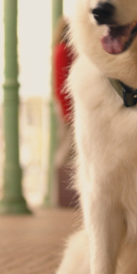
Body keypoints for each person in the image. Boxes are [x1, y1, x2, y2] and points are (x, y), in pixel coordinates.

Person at [51, 17, 80, 208]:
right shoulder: (63, 50)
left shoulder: (62, 49)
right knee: (64, 151)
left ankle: (63, 197)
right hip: (69, 108)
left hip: (69, 107)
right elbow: (62, 84)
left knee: (67, 150)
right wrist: (68, 112)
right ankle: (60, 197)